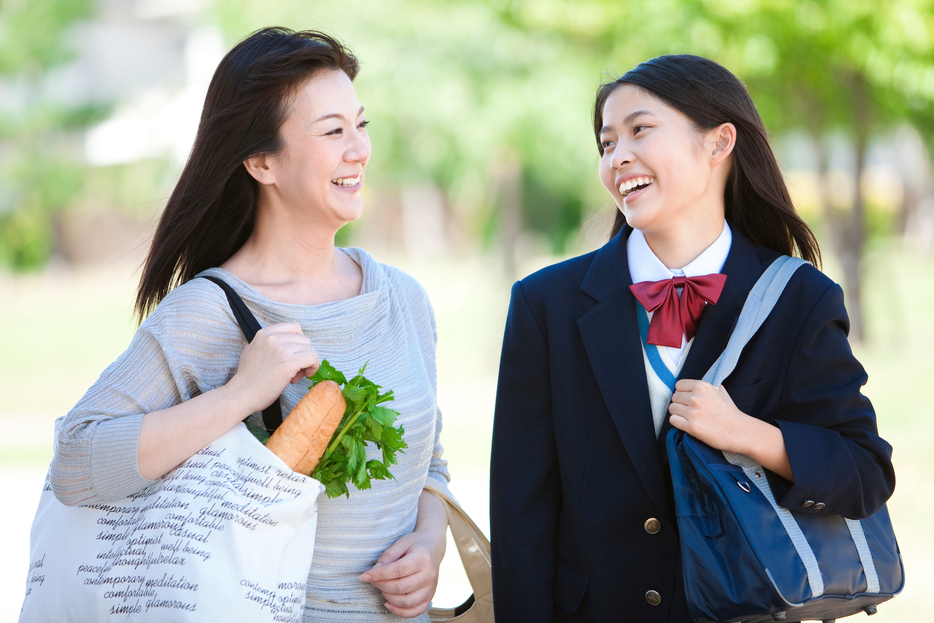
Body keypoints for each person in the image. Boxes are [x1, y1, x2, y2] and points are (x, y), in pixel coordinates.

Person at [50, 27, 450, 622]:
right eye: (332, 131)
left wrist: (430, 541)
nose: (359, 149)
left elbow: (430, 460)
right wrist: (241, 395)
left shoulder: (402, 300)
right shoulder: (208, 312)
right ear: (262, 161)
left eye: (360, 125)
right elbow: (75, 465)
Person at [489, 54, 896, 622]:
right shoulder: (545, 304)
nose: (617, 157)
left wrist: (750, 435)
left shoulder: (798, 298)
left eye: (640, 130)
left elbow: (865, 473)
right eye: (606, 144)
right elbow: (519, 513)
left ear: (719, 142)